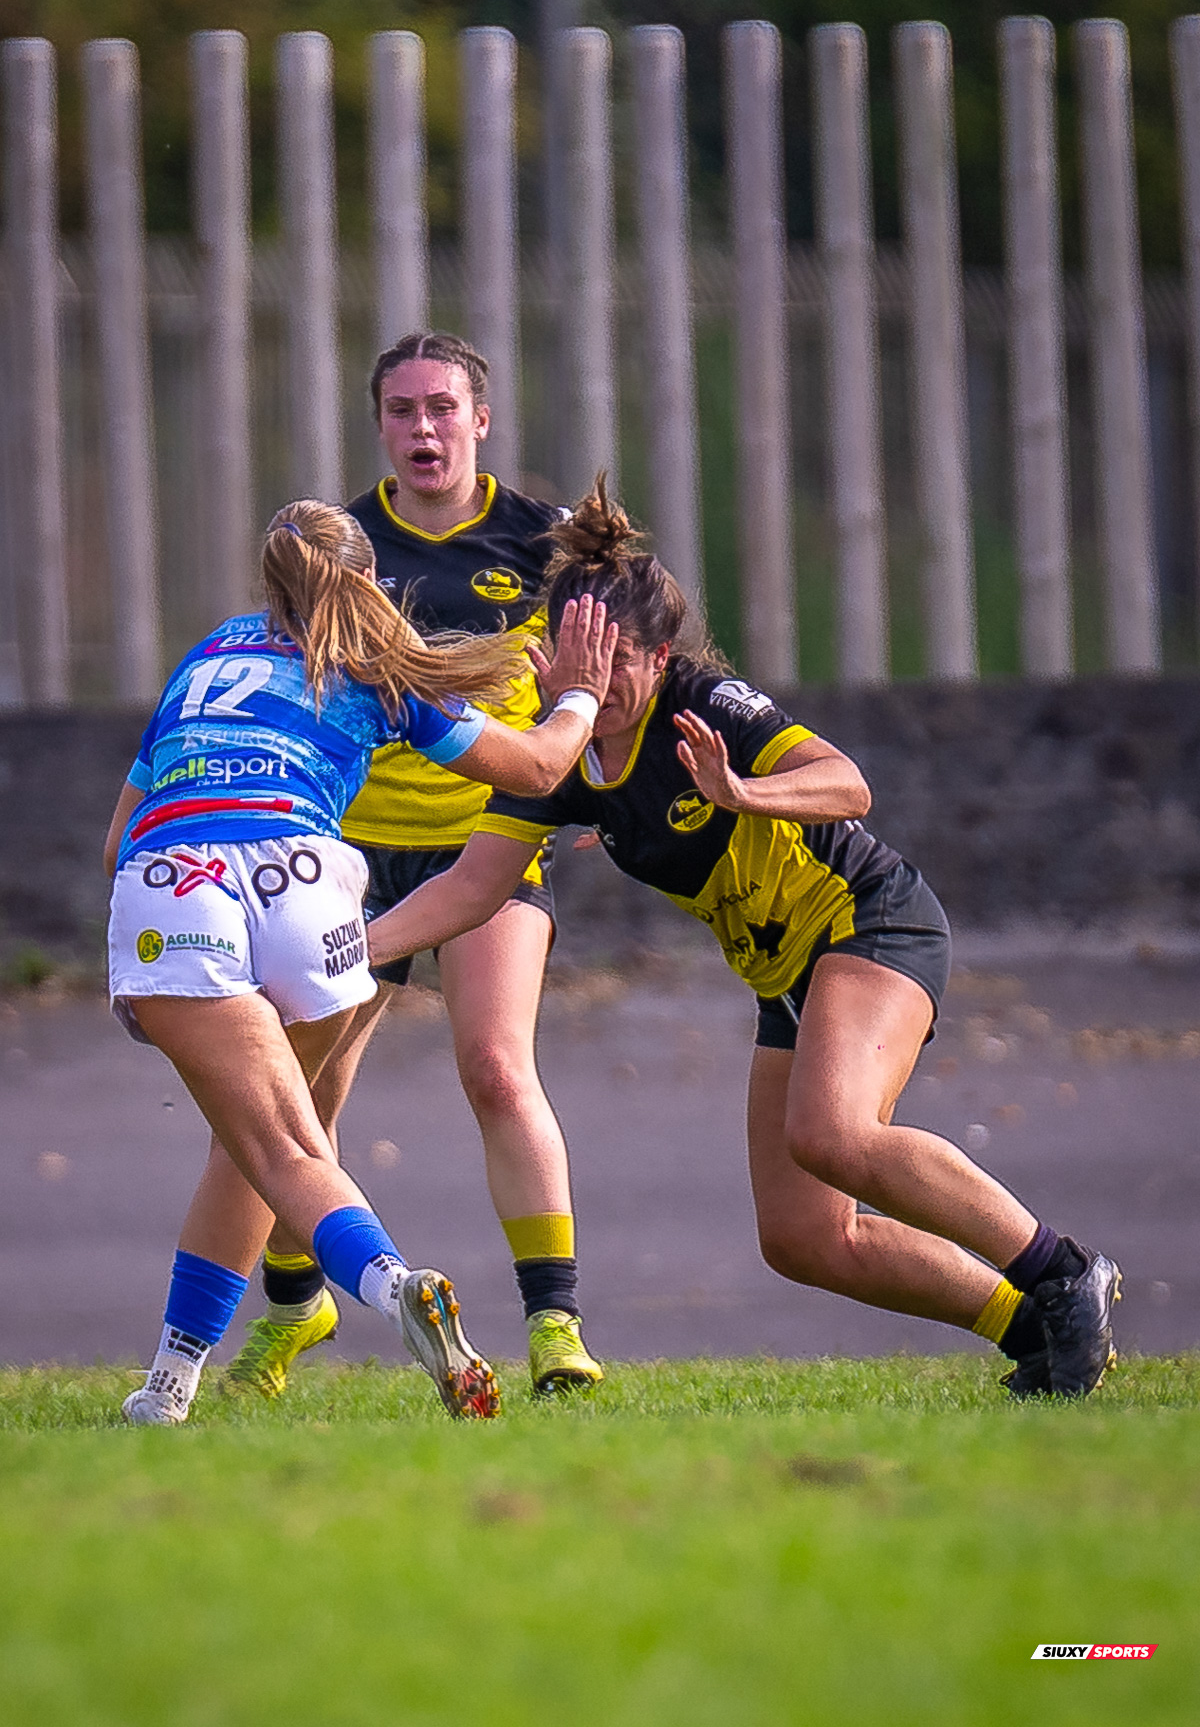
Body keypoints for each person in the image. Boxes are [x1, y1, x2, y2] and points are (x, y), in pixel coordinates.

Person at [364, 480, 1123, 1400]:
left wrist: (748, 794)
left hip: (868, 920)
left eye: (611, 665)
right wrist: (347, 951)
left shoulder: (704, 702)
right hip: (786, 974)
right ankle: (1032, 1326)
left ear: (654, 653)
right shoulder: (557, 748)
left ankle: (1062, 1272)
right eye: (572, 663)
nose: (589, 689)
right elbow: (473, 887)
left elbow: (847, 785)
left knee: (833, 1134)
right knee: (804, 1238)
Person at [106, 498, 615, 1425]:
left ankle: (378, 1289)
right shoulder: (382, 672)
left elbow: (116, 845)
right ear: (371, 582)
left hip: (176, 875)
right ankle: (169, 1390)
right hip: (310, 886)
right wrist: (577, 692)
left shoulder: (212, 650)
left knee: (263, 1140)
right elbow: (540, 769)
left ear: (270, 583)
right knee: (280, 1142)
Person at [223, 332, 608, 1402]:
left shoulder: (548, 543)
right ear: (379, 424)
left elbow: (619, 670)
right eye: (403, 411)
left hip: (489, 833)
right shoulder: (342, 550)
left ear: (482, 419)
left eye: (443, 408)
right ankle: (299, 1311)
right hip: (347, 855)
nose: (424, 429)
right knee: (302, 1089)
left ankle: (556, 1328)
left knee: (493, 1065)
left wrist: (586, 781)